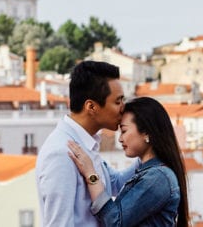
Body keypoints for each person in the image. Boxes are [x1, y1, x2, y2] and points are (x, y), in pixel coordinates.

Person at [36, 61, 135, 227]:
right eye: (117, 102)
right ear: (91, 107)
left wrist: (151, 151)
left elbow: (115, 183)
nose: (123, 109)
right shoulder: (61, 153)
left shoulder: (85, 142)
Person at [66, 97, 190, 227]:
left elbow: (115, 221)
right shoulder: (146, 169)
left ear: (146, 132)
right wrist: (89, 151)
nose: (120, 139)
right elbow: (114, 180)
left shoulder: (158, 177)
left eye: (124, 131)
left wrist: (91, 175)